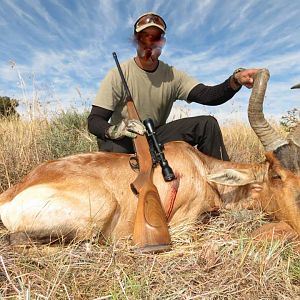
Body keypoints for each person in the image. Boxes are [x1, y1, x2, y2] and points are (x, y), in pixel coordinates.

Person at [88, 12, 258, 160]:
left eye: (155, 38)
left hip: (155, 135)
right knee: (113, 150)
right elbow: (95, 120)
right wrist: (115, 130)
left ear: (162, 42)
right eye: (144, 36)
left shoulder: (172, 75)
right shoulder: (118, 73)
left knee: (207, 124)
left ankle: (224, 183)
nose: (149, 42)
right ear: (136, 40)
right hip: (126, 139)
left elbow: (208, 95)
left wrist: (235, 80)